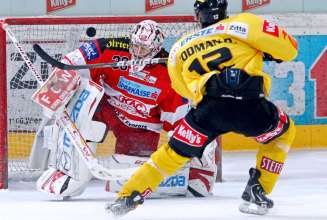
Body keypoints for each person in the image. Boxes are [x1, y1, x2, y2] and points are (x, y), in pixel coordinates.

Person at [105, 0, 298, 217]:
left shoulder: (179, 47)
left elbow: (184, 91)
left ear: (199, 16)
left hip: (208, 113)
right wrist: (266, 52)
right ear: (224, 9)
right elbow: (290, 49)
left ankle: (128, 195)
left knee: (172, 154)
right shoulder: (245, 23)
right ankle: (258, 189)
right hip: (250, 108)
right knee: (284, 133)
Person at [36, 20, 192, 199]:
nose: (137, 52)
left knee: (128, 183)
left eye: (144, 49)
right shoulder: (109, 47)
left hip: (142, 125)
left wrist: (186, 148)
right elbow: (69, 63)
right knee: (82, 111)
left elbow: (178, 118)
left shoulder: (171, 73)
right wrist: (54, 89)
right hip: (106, 108)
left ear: (156, 49)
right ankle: (70, 172)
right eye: (135, 45)